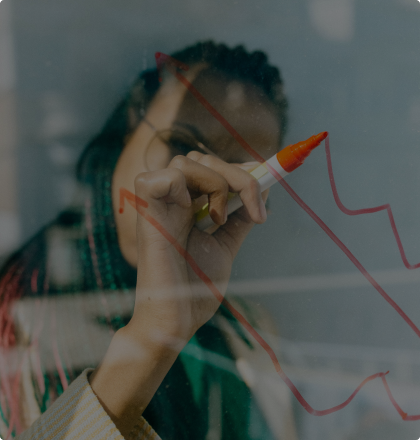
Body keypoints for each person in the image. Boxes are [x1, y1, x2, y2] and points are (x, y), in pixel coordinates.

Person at [0, 41, 292, 439]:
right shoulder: (15, 318)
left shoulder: (250, 335)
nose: (205, 187)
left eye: (243, 180)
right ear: (124, 134)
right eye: (181, 145)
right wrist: (154, 335)